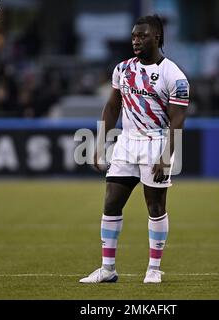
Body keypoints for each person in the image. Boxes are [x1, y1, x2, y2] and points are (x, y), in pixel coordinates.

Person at [79, 14, 189, 284]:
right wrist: (100, 142)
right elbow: (113, 106)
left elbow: (178, 119)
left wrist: (167, 156)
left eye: (142, 36)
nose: (136, 41)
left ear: (158, 38)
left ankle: (154, 269)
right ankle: (107, 269)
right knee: (111, 203)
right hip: (126, 141)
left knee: (155, 206)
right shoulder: (122, 69)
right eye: (133, 36)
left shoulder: (173, 76)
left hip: (157, 141)